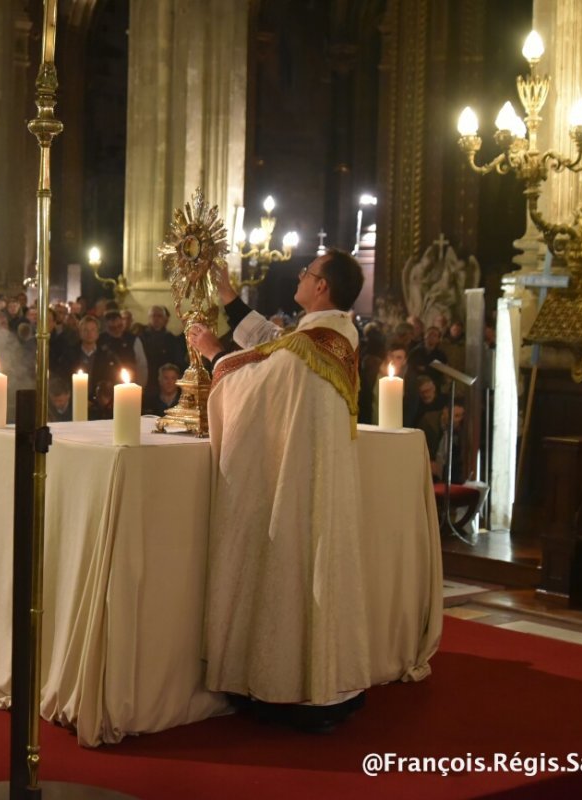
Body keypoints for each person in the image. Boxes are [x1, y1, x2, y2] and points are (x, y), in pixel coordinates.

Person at [186, 247, 369, 733]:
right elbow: (275, 344)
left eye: (308, 272)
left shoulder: (313, 345)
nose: (300, 275)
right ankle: (327, 680)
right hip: (315, 478)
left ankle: (288, 685)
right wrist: (228, 297)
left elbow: (262, 377)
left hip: (295, 486)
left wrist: (213, 356)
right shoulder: (333, 334)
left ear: (322, 287)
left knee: (287, 569)